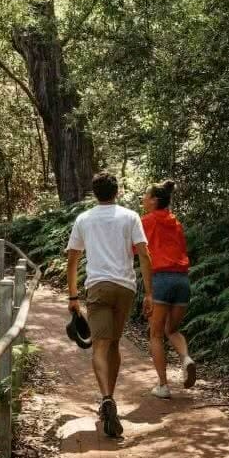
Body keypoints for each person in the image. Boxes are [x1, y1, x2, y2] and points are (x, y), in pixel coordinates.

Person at [67, 172, 154, 438]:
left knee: (100, 345)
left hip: (98, 287)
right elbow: (144, 255)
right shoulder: (130, 217)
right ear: (118, 191)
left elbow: (72, 258)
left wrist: (72, 295)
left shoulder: (84, 219)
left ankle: (106, 398)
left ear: (95, 193)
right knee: (114, 344)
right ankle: (109, 399)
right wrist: (149, 293)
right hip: (125, 288)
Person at [141, 180, 196, 399]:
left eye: (146, 196)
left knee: (155, 334)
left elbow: (134, 249)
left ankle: (163, 386)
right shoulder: (176, 222)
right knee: (171, 330)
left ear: (154, 200)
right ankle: (185, 358)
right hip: (182, 280)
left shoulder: (146, 221)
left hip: (161, 279)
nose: (143, 199)